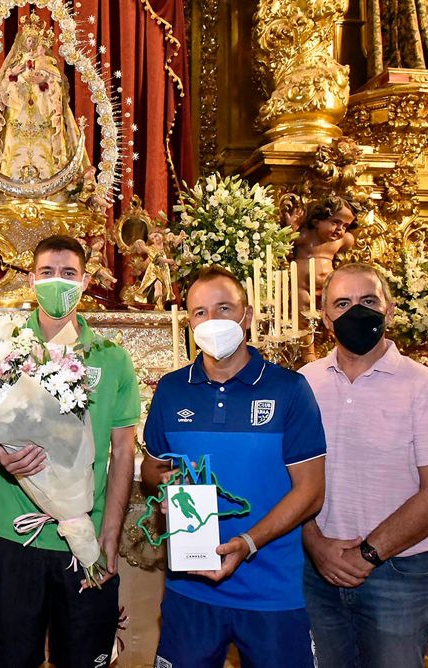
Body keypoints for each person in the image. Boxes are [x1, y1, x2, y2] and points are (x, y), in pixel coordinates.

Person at [141, 265, 327, 668]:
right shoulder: (172, 390)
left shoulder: (289, 389)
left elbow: (310, 491)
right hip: (190, 590)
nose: (211, 321)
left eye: (224, 308)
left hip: (273, 593)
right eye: (200, 312)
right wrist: (166, 487)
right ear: (189, 322)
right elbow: (150, 469)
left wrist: (249, 542)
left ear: (247, 316)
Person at [0, 234, 140, 668]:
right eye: (47, 273)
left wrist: (111, 534)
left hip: (87, 536)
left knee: (83, 659)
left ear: (85, 282)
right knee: (10, 660)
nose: (56, 281)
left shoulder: (113, 358)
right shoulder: (0, 350)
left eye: (68, 274)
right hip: (15, 535)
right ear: (32, 279)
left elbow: (123, 452)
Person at [299, 262, 428, 668]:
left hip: (399, 573)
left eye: (368, 300)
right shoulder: (305, 382)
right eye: (342, 303)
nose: (356, 311)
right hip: (318, 569)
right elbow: (287, 478)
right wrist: (315, 543)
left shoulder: (424, 387)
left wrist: (368, 554)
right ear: (326, 318)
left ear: (389, 311)